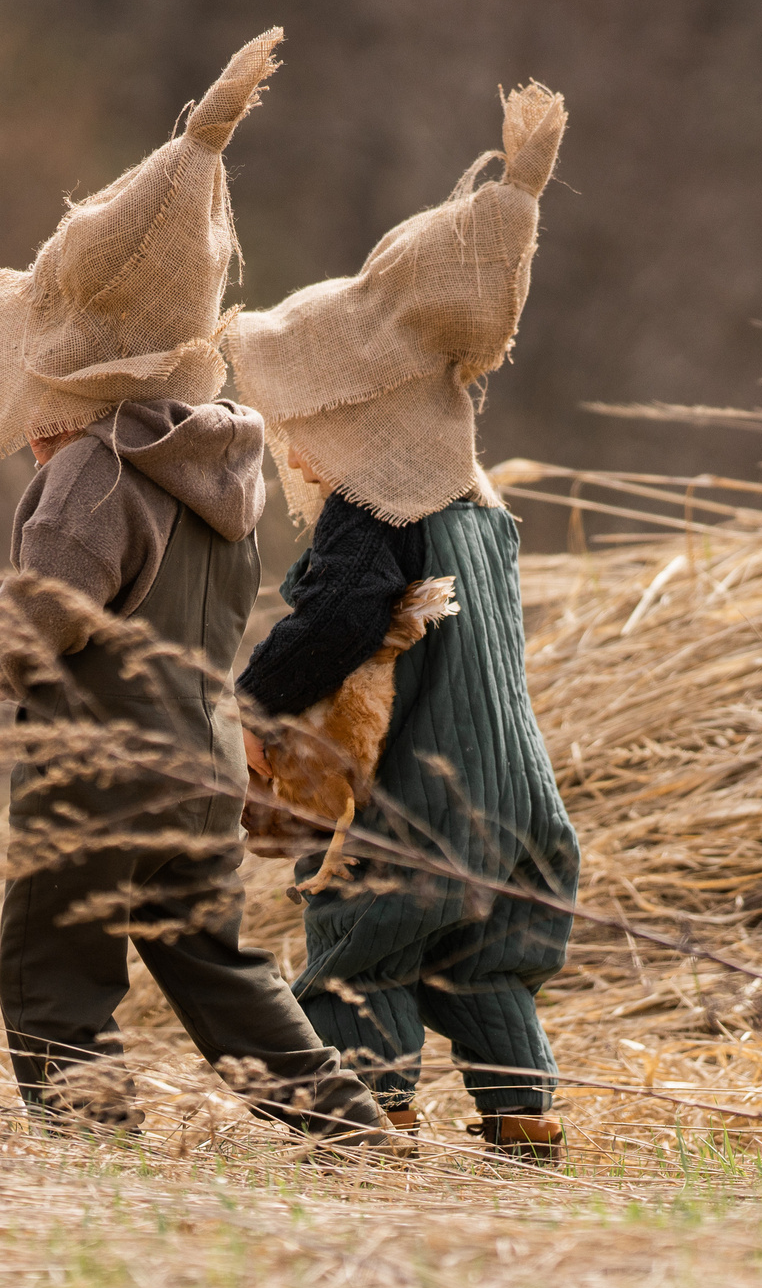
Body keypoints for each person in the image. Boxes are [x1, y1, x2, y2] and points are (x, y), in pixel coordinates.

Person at [0, 27, 395, 1148]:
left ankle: (94, 1139)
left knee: (56, 957)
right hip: (197, 755)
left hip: (99, 762)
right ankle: (343, 1122)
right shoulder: (223, 464)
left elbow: (59, 594)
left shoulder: (97, 468)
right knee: (214, 964)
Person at [225, 82, 582, 1163]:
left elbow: (334, 620)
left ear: (349, 414)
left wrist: (253, 698)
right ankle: (521, 1114)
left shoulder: (368, 513)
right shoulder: (481, 510)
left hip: (418, 789)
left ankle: (370, 1120)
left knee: (355, 949)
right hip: (515, 792)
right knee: (481, 956)